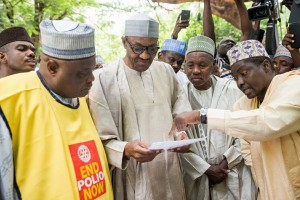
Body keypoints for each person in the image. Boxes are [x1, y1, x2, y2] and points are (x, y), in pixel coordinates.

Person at [172, 40, 300, 199]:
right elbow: (248, 150)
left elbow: (265, 123)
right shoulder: (245, 102)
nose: (239, 82)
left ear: (266, 65)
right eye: (235, 77)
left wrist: (203, 115)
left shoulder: (294, 84)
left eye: (244, 74)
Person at [0, 20, 113, 200]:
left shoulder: (79, 98)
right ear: (52, 67)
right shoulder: (8, 100)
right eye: (83, 73)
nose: (92, 79)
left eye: (92, 70)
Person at [88, 13, 192, 200]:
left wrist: (181, 134)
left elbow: (181, 110)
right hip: (131, 173)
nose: (145, 55)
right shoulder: (103, 79)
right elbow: (100, 138)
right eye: (137, 48)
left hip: (169, 168)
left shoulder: (166, 71)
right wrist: (126, 149)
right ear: (124, 42)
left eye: (152, 49)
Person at [180, 35, 256, 200]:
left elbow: (245, 131)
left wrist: (225, 163)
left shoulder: (232, 90)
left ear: (214, 65)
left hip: (233, 171)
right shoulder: (179, 96)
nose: (195, 71)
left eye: (202, 65)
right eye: (190, 65)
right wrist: (205, 169)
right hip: (197, 176)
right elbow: (178, 141)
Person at [203, 0, 252, 78]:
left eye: (233, 43)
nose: (230, 43)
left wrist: (239, 2)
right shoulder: (215, 62)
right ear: (217, 48)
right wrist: (206, 2)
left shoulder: (239, 58)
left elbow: (247, 32)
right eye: (226, 42)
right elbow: (209, 37)